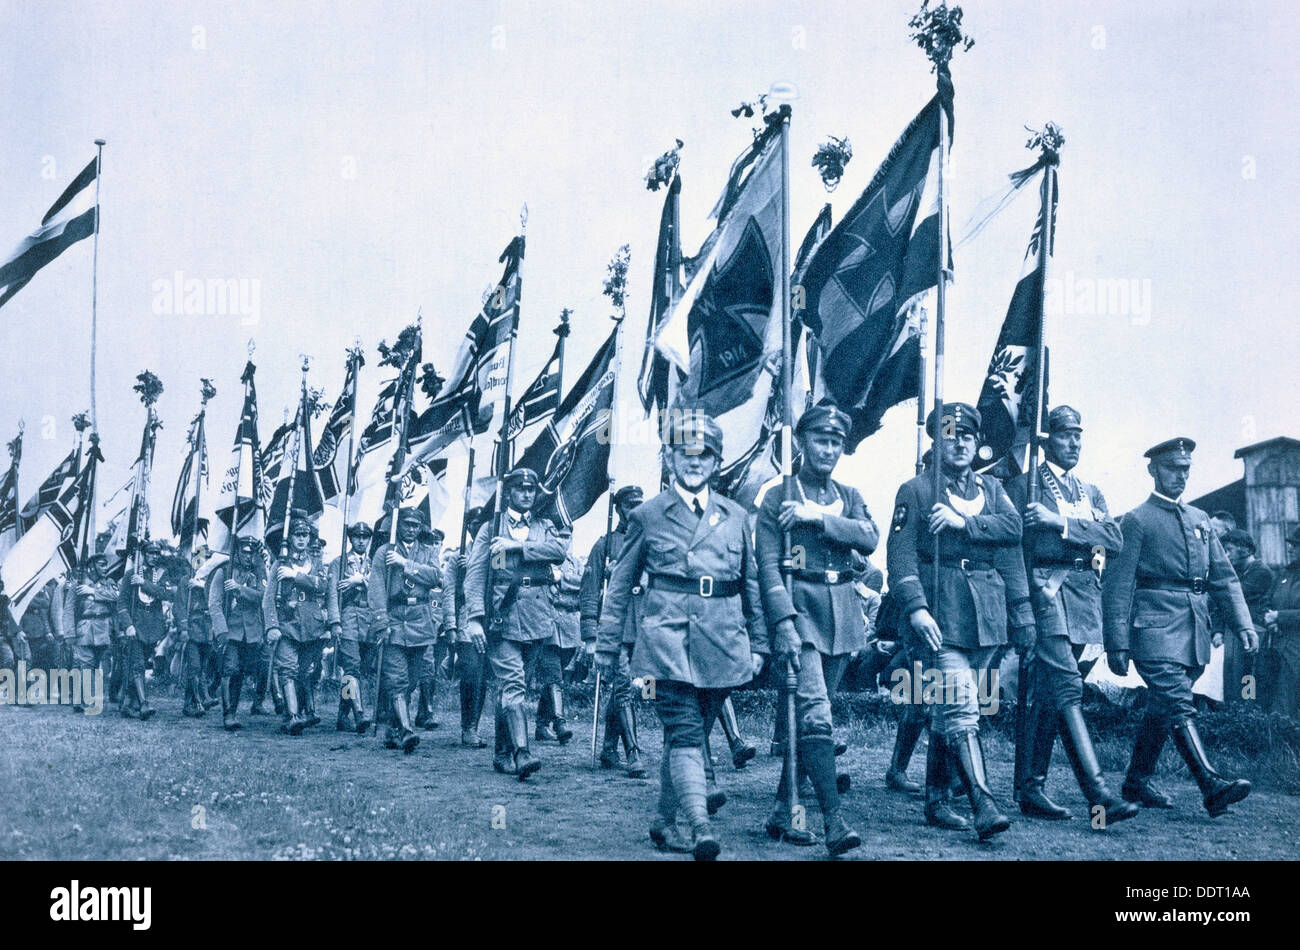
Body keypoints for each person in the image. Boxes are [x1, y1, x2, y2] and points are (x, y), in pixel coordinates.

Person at [596, 412, 774, 860]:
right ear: (670, 458)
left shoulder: (736, 516)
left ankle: (663, 821)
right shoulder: (648, 515)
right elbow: (619, 585)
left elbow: (751, 583)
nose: (694, 461)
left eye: (704, 454)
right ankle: (700, 827)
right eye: (684, 453)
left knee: (684, 740)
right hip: (665, 645)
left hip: (723, 643)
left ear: (716, 462)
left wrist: (759, 642)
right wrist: (607, 644)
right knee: (687, 732)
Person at [886, 402, 1031, 841]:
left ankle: (936, 799)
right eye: (951, 434)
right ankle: (983, 801)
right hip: (940, 611)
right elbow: (900, 556)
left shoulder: (992, 489)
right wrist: (915, 607)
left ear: (977, 441)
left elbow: (1013, 532)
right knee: (961, 703)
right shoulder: (915, 489)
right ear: (937, 440)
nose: (961, 442)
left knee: (956, 708)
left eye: (968, 435)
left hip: (987, 614)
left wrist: (964, 522)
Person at [1102, 437, 1257, 817]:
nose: (1181, 476)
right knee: (1176, 700)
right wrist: (1116, 643)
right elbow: (1118, 585)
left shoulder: (1200, 520)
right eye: (1173, 469)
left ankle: (1137, 781)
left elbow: (1223, 578)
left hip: (1194, 630)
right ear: (1153, 470)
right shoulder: (1137, 520)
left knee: (1162, 707)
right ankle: (1210, 783)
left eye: (1186, 469)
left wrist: (1243, 623)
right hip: (1152, 629)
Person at [1003, 405, 1138, 827]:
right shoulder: (1025, 486)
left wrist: (1059, 522)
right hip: (1045, 591)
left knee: (1050, 694)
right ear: (1047, 441)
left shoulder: (1091, 491)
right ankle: (1099, 796)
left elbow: (1112, 539)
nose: (1074, 443)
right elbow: (1013, 547)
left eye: (1079, 435)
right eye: (1064, 435)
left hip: (1082, 597)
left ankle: (1030, 786)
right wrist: (1021, 603)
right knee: (1065, 685)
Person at [755, 402, 873, 856]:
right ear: (801, 442)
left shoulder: (849, 493)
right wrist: (782, 621)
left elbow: (868, 536)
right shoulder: (776, 495)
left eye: (836, 442)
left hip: (843, 617)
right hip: (800, 614)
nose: (828, 449)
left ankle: (785, 810)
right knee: (815, 714)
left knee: (807, 722)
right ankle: (833, 820)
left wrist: (817, 519)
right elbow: (767, 564)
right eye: (820, 440)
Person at [463, 468, 568, 779]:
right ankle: (522, 753)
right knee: (513, 685)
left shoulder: (544, 525)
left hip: (538, 619)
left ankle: (502, 752)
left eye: (530, 490)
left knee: (517, 690)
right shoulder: (490, 528)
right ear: (508, 492)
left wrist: (517, 546)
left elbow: (559, 551)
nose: (526, 494)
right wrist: (474, 619)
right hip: (503, 617)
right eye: (520, 489)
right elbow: (475, 575)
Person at [579, 485, 647, 777]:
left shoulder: (651, 543)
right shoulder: (604, 545)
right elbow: (589, 591)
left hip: (643, 628)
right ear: (619, 509)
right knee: (623, 687)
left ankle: (609, 748)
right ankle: (633, 752)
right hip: (614, 628)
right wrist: (590, 636)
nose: (636, 511)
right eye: (630, 506)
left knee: (634, 690)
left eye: (640, 505)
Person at [367, 507, 447, 755]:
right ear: (398, 525)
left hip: (420, 621)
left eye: (415, 525)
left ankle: (392, 730)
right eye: (406, 524)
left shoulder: (427, 551)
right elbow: (377, 587)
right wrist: (381, 622)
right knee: (397, 679)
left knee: (412, 680)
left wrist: (406, 564)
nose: (411, 529)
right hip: (394, 619)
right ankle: (406, 729)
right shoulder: (384, 552)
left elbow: (436, 577)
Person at [264, 511, 330, 736]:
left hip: (312, 625)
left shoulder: (317, 563)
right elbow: (268, 598)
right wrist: (272, 626)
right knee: (288, 669)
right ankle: (293, 715)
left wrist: (296, 576)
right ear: (290, 538)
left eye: (305, 535)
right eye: (297, 535)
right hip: (288, 623)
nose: (302, 539)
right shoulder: (279, 564)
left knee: (306, 670)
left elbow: (323, 586)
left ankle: (304, 711)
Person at [209, 537, 268, 731]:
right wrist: (221, 632)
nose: (248, 556)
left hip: (251, 632)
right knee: (230, 670)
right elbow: (215, 604)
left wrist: (239, 589)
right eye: (244, 552)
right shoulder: (223, 573)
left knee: (241, 672)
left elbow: (262, 597)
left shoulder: (258, 574)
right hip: (230, 630)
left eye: (251, 553)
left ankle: (233, 710)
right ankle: (228, 715)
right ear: (237, 553)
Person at [114, 539, 176, 721]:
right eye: (150, 553)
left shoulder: (162, 574)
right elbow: (122, 604)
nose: (154, 557)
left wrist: (144, 583)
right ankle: (143, 703)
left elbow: (167, 594)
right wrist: (128, 625)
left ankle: (128, 702)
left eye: (157, 554)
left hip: (153, 626)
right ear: (143, 554)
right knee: (138, 664)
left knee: (139, 664)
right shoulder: (130, 575)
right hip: (136, 624)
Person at [327, 521, 376, 734]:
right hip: (348, 617)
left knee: (359, 670)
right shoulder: (339, 563)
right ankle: (359, 713)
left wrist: (360, 581)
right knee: (352, 667)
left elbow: (379, 587)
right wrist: (335, 622)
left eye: (365, 537)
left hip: (369, 622)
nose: (361, 540)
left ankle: (341, 716)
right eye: (357, 537)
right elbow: (332, 594)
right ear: (351, 539)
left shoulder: (374, 564)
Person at [449, 507, 490, 748]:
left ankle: (474, 725)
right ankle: (467, 728)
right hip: (466, 621)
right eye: (472, 523)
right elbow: (448, 593)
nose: (476, 527)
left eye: (480, 523)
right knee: (471, 674)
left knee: (483, 677)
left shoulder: (494, 551)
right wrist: (450, 625)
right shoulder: (457, 557)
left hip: (489, 619)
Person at [535, 533, 582, 744]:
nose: (564, 541)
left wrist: (561, 580)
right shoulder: (543, 561)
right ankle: (560, 723)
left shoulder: (576, 562)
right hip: (548, 624)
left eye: (567, 537)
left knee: (556, 678)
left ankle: (541, 725)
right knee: (554, 677)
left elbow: (584, 585)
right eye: (559, 537)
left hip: (571, 627)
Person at [1219, 528, 1272, 706]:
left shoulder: (1261, 571)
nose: (1226, 555)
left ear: (1246, 550)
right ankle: (1239, 711)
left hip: (1256, 632)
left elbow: (1233, 596)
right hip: (1238, 632)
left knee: (1248, 676)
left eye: (1229, 550)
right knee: (1234, 678)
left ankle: (1248, 712)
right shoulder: (1239, 571)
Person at [63, 552, 117, 713]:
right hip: (85, 628)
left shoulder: (109, 583)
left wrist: (93, 591)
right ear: (91, 567)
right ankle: (85, 700)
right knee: (86, 663)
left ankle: (80, 698)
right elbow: (69, 610)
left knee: (98, 666)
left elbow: (116, 596)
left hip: (104, 629)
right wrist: (69, 633)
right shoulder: (77, 585)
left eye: (105, 564)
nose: (105, 568)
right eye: (101, 564)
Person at [1263, 527, 1300, 718]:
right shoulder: (1285, 574)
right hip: (1278, 644)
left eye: (1295, 545)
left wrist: (1279, 616)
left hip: (1296, 648)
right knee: (1273, 697)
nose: (1291, 549)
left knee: (1289, 699)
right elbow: (1266, 601)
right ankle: (1276, 741)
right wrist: (1270, 620)